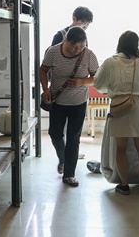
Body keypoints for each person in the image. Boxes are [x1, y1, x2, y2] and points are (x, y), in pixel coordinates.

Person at [93, 31, 139, 195]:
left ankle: (124, 185)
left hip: (119, 106)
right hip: (137, 106)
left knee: (120, 148)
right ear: (136, 45)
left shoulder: (109, 62)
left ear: (119, 44)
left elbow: (98, 84)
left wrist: (111, 91)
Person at [40, 27, 99, 187]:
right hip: (57, 102)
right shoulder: (53, 52)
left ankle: (69, 175)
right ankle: (63, 159)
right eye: (74, 46)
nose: (78, 50)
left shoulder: (89, 55)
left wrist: (82, 82)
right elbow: (43, 70)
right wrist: (45, 89)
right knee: (55, 134)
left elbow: (96, 77)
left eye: (81, 46)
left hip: (79, 103)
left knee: (73, 139)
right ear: (66, 41)